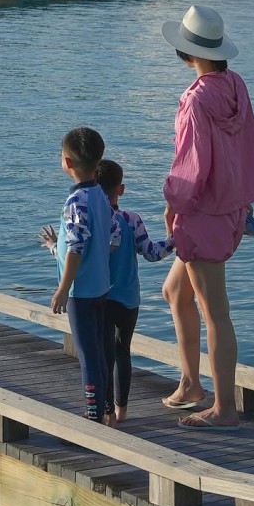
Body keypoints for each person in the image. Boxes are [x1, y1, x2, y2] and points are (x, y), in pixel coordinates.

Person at [158, 5, 254, 430]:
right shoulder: (235, 86)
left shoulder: (195, 99)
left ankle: (224, 409)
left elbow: (191, 165)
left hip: (203, 212)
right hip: (229, 209)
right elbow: (245, 148)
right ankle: (190, 383)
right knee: (174, 291)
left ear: (186, 54)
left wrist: (174, 202)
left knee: (215, 311)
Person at [41, 127, 120, 424]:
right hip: (100, 287)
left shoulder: (76, 202)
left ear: (67, 162)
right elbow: (112, 237)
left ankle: (93, 416)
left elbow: (75, 249)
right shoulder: (99, 194)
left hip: (81, 293)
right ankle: (106, 408)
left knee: (87, 354)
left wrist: (63, 288)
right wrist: (54, 247)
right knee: (100, 351)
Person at [97, 159, 174, 424]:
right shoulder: (131, 220)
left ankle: (105, 411)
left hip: (103, 297)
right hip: (130, 299)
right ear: (122, 189)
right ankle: (122, 411)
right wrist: (174, 238)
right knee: (122, 352)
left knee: (105, 355)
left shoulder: (97, 220)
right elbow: (152, 253)